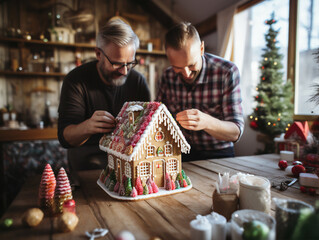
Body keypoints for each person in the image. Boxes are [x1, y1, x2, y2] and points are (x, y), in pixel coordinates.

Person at [58, 19, 150, 174]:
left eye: (130, 63)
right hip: (87, 162)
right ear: (98, 54)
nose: (125, 72)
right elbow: (65, 138)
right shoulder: (75, 81)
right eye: (117, 64)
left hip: (128, 158)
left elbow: (147, 128)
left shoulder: (138, 81)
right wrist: (87, 127)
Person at [156, 22, 244, 161]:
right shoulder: (167, 76)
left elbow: (235, 132)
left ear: (201, 48)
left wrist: (207, 122)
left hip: (218, 154)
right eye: (177, 67)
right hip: (179, 154)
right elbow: (158, 120)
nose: (186, 73)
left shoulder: (227, 72)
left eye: (191, 65)